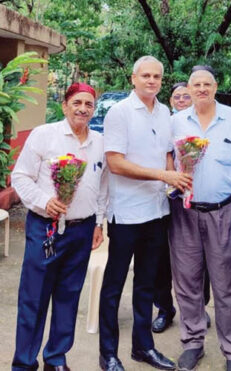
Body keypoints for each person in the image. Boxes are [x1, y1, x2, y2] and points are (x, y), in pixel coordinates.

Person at [99, 56, 191, 371]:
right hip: (126, 214)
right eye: (146, 76)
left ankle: (143, 348)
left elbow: (167, 153)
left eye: (157, 77)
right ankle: (108, 354)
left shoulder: (164, 111)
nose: (152, 81)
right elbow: (115, 163)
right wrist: (163, 176)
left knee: (146, 284)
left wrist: (174, 179)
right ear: (133, 78)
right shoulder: (119, 113)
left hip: (157, 210)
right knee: (113, 286)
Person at [11, 83, 107, 371]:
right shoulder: (45, 135)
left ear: (94, 109)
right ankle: (25, 363)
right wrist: (44, 201)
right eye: (77, 102)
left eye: (89, 104)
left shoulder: (100, 142)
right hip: (45, 229)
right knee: (34, 299)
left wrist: (98, 222)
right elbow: (20, 176)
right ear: (65, 106)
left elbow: (103, 187)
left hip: (82, 230)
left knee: (68, 297)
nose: (82, 109)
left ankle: (56, 359)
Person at [169, 68, 231, 371]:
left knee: (227, 283)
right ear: (188, 90)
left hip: (223, 212)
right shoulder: (176, 122)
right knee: (187, 281)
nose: (202, 89)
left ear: (216, 87)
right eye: (196, 84)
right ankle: (192, 342)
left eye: (207, 84)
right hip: (184, 212)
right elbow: (167, 162)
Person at [152, 80, 213, 334]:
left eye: (185, 97)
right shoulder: (165, 124)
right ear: (170, 101)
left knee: (201, 259)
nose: (181, 101)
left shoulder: (203, 123)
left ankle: (199, 308)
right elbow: (162, 154)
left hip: (198, 202)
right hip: (166, 201)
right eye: (176, 97)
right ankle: (165, 308)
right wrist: (172, 177)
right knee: (162, 258)